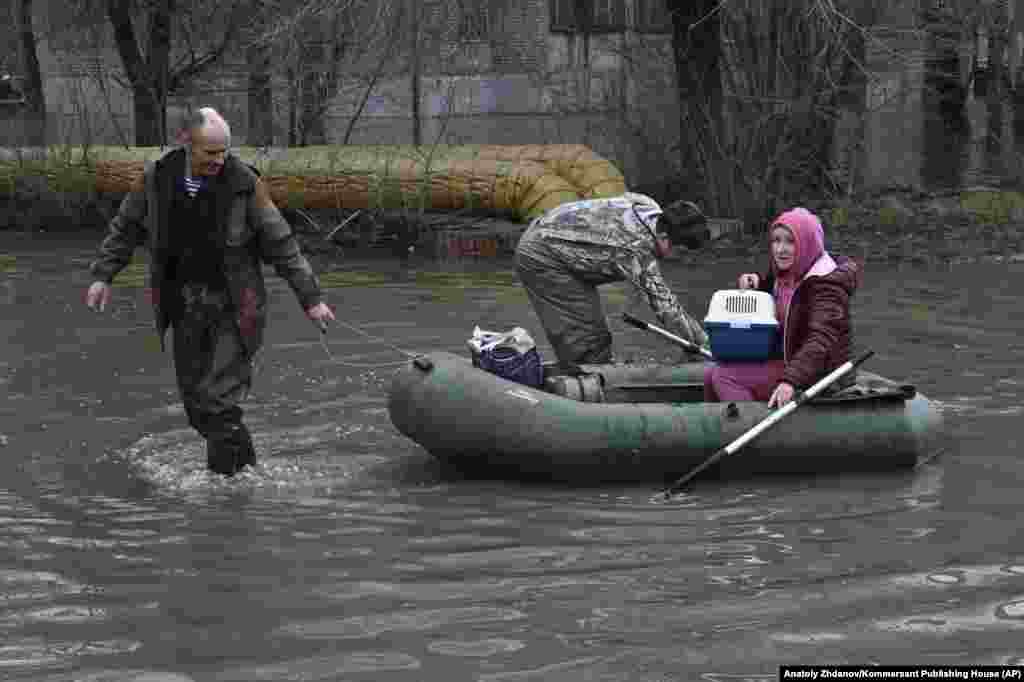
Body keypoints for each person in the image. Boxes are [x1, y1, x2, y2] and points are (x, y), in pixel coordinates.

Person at [84, 107, 335, 476]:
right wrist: (103, 275)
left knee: (219, 402)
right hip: (183, 304)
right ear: (187, 142)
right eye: (210, 153)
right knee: (197, 406)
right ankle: (245, 474)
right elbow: (126, 227)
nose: (220, 160)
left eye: (224, 152)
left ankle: (230, 486)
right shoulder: (157, 178)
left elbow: (281, 243)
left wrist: (311, 300)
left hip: (236, 307)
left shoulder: (245, 183)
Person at [515, 192, 711, 368]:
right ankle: (586, 385)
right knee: (587, 338)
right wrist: (702, 346)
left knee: (598, 334)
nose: (680, 259)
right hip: (544, 256)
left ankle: (593, 369)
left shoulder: (648, 206)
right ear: (663, 235)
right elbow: (667, 309)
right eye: (679, 251)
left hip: (559, 239)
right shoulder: (635, 251)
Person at [703, 207, 860, 408]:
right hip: (786, 358)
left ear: (807, 244)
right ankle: (717, 431)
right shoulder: (787, 270)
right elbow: (775, 293)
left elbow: (821, 340)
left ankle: (751, 429)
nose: (780, 249)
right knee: (710, 374)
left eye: (790, 241)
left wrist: (790, 380)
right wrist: (758, 283)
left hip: (819, 373)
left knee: (724, 377)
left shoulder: (826, 285)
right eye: (776, 240)